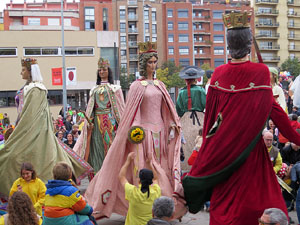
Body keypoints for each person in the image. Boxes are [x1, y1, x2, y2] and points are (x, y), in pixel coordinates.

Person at [182, 12, 300, 225]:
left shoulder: (218, 74)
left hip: (224, 154)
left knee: (225, 207)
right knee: (261, 206)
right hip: (251, 155)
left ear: (229, 45)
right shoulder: (261, 72)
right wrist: (297, 137)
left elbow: (211, 122)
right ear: (249, 45)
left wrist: (207, 152)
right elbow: (276, 111)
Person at [84, 42, 186, 219]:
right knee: (146, 167)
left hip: (161, 133)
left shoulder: (160, 85)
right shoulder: (136, 86)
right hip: (144, 133)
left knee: (163, 167)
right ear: (143, 64)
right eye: (149, 62)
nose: (153, 65)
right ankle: (142, 206)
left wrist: (171, 124)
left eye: (155, 62)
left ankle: (166, 204)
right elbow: (134, 112)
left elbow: (166, 109)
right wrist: (136, 132)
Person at [0, 58, 92, 200]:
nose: (20, 73)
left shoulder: (36, 89)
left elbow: (30, 116)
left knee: (11, 157)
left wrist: (18, 132)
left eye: (23, 70)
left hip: (31, 132)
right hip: (23, 128)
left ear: (30, 72)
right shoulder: (30, 87)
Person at [73, 58, 125, 172]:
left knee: (109, 146)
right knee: (97, 147)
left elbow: (120, 108)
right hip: (96, 123)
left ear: (108, 71)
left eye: (104, 69)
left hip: (110, 121)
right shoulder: (94, 90)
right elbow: (90, 108)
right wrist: (88, 122)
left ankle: (110, 172)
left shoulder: (114, 89)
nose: (101, 72)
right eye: (99, 70)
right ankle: (98, 172)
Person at [119, 152, 161, 225]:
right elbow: (156, 178)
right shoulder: (156, 192)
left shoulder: (133, 192)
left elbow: (121, 177)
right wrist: (149, 164)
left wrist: (128, 161)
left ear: (139, 180)